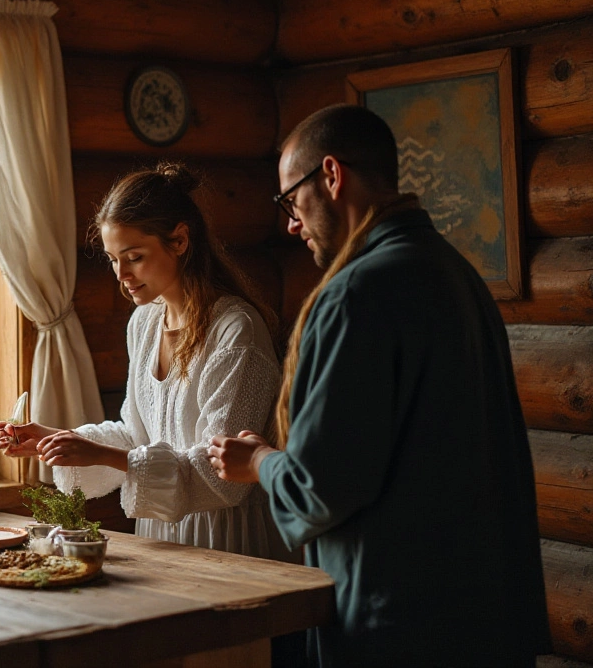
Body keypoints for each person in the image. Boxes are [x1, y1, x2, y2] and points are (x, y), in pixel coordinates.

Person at [207, 104, 550, 666]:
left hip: (399, 622)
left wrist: (260, 462)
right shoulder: (455, 273)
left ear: (332, 176)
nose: (291, 225)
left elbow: (321, 485)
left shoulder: (354, 296)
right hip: (486, 613)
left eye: (292, 201)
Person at [0, 162, 290, 559]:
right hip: (161, 532)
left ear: (180, 240)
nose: (122, 275)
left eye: (134, 257)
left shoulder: (236, 331)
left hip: (224, 537)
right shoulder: (145, 323)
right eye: (114, 259)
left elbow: (224, 474)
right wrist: (57, 439)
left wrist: (101, 455)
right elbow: (138, 435)